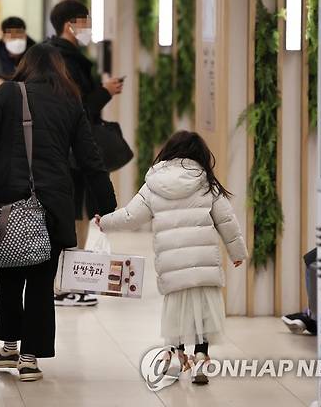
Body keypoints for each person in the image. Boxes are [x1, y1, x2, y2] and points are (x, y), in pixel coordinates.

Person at [0, 43, 116, 382]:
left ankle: (10, 346)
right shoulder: (70, 100)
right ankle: (30, 357)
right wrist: (107, 207)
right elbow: (91, 159)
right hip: (54, 202)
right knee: (42, 279)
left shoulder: (8, 94)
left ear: (25, 66)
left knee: (10, 272)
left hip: (9, 199)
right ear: (59, 69)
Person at [96, 131, 248, 385]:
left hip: (172, 265)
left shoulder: (155, 183)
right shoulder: (205, 182)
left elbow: (131, 216)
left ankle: (177, 357)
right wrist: (237, 252)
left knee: (176, 313)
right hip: (203, 263)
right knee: (203, 313)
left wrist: (105, 223)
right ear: (199, 154)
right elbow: (226, 220)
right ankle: (201, 357)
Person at [47, 0, 124, 307]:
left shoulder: (56, 56)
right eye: (85, 21)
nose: (89, 28)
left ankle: (68, 281)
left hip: (63, 146)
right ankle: (64, 284)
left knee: (75, 212)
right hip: (71, 148)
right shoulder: (67, 60)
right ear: (71, 24)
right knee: (71, 214)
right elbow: (77, 107)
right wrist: (105, 91)